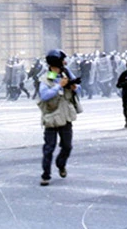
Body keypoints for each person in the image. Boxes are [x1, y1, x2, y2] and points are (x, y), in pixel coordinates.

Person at [38, 49, 81, 186]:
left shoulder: (66, 73)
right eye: (62, 60)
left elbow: (78, 89)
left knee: (67, 146)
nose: (65, 62)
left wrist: (74, 87)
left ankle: (61, 164)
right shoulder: (47, 78)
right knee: (49, 147)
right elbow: (44, 95)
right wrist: (59, 86)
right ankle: (46, 175)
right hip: (52, 117)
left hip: (66, 115)